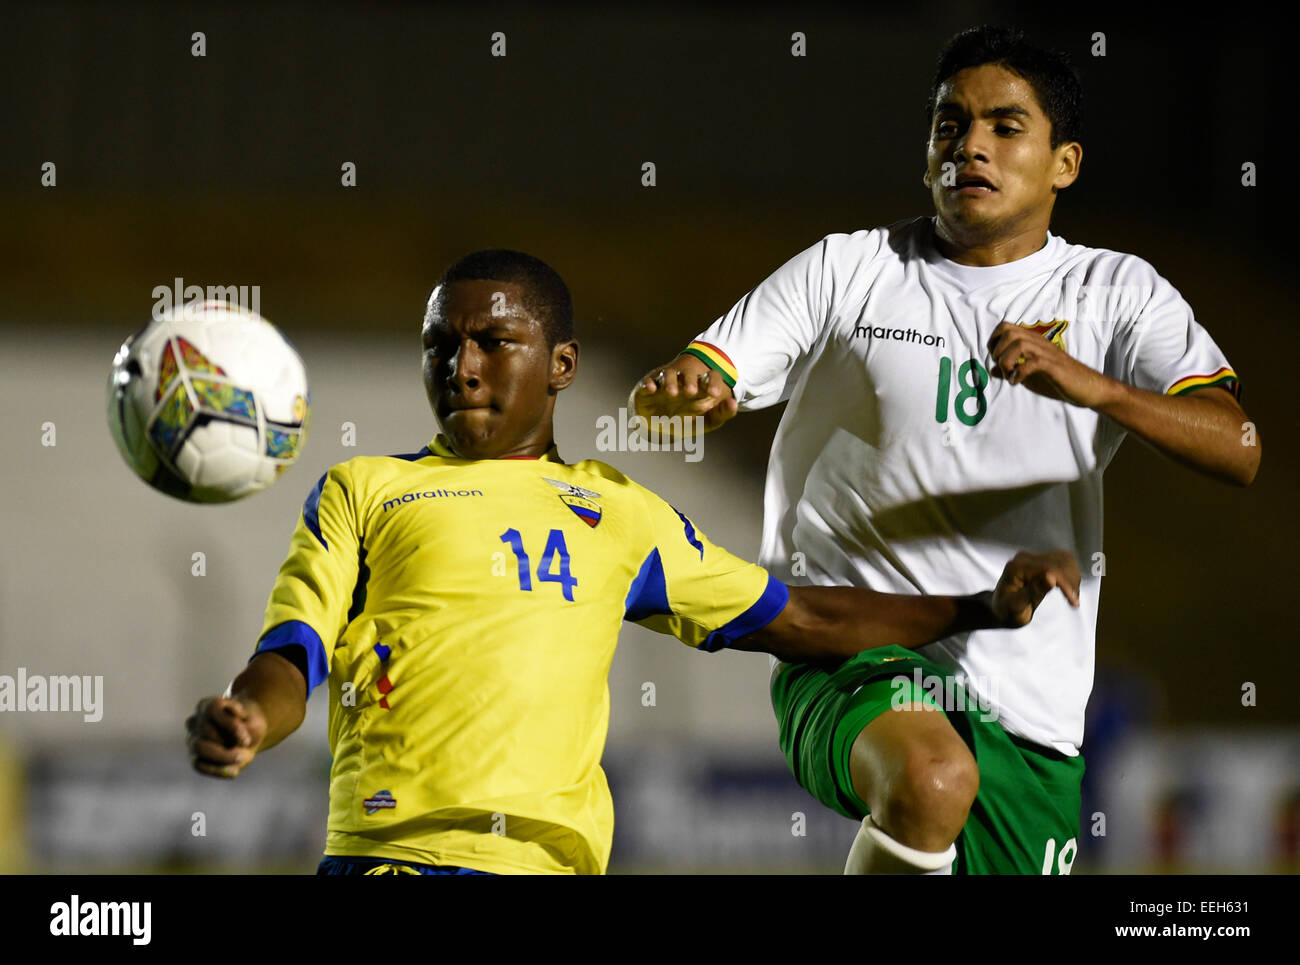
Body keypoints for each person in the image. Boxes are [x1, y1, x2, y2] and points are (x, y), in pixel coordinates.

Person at [185, 248, 1079, 876]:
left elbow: (801, 620)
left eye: (493, 341)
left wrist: (975, 609)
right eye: (439, 345)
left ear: (562, 363)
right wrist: (253, 717)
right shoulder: (365, 489)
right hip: (398, 857)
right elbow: (293, 650)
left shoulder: (616, 511)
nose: (459, 365)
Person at [631, 25, 1259, 875]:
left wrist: (1094, 385)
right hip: (849, 651)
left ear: (1064, 162)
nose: (971, 147)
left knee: (951, 788)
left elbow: (1239, 447)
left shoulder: (1117, 292)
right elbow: (690, 385)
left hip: (1027, 701)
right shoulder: (850, 270)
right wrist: (684, 395)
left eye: (1005, 127)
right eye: (949, 126)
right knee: (929, 775)